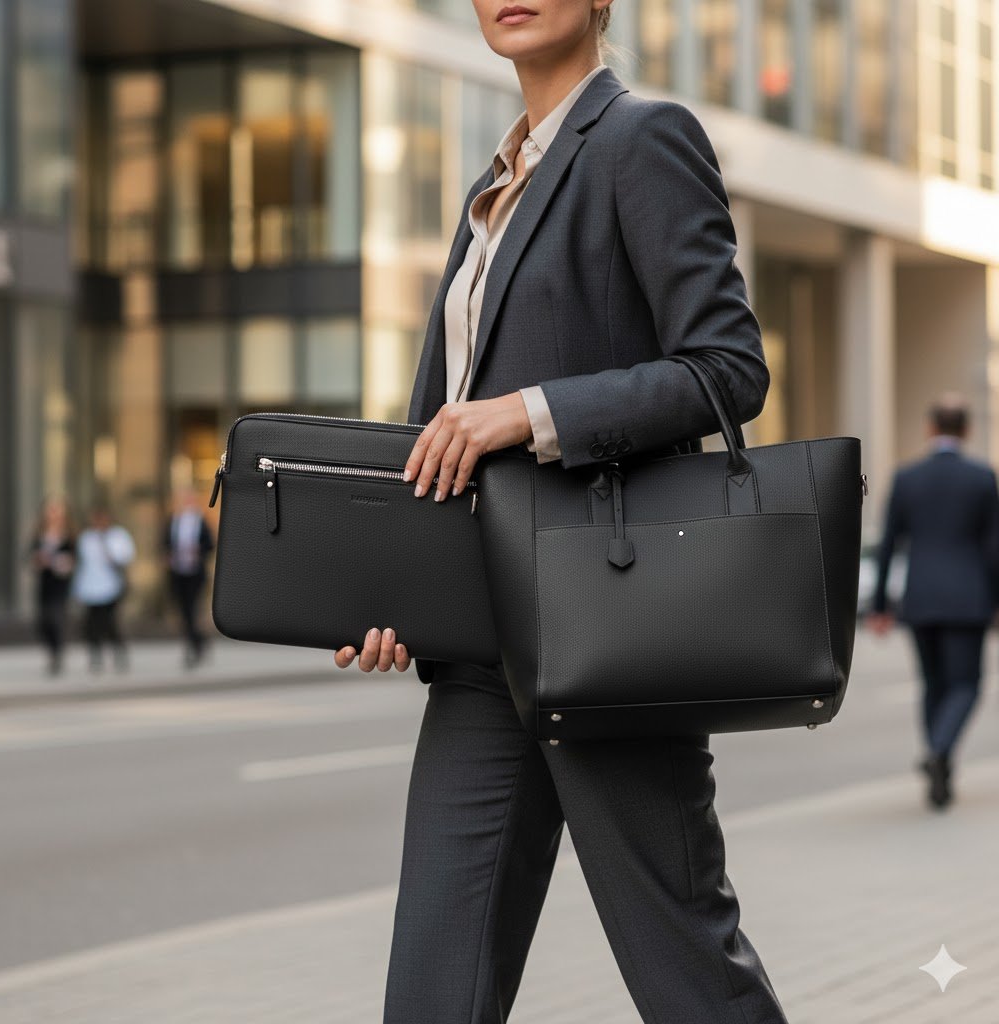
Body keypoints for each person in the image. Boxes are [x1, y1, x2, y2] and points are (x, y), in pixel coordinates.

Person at [334, 3, 786, 1021]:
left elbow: (728, 369)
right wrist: (393, 594)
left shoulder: (642, 139)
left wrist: (529, 413)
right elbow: (439, 433)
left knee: (689, 974)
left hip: (606, 626)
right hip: (480, 646)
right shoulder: (493, 188)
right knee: (432, 991)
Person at [868, 395, 999, 809]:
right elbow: (994, 547)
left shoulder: (907, 478)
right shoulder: (982, 478)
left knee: (934, 685)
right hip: (968, 598)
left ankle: (939, 769)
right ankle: (939, 752)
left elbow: (888, 545)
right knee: (965, 685)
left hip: (921, 597)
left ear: (930, 428)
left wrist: (879, 605)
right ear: (967, 430)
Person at [71, 505, 136, 672]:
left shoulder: (117, 535)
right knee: (91, 624)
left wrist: (106, 547)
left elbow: (125, 558)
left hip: (111, 587)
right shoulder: (86, 538)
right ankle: (95, 654)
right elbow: (82, 564)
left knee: (110, 622)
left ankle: (118, 651)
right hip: (89, 588)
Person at [164, 489, 215, 668]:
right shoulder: (174, 521)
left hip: (195, 572)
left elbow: (210, 545)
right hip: (178, 571)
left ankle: (194, 645)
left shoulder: (201, 522)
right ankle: (197, 641)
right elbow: (165, 543)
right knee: (184, 610)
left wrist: (198, 551)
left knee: (193, 609)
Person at [27, 497, 77, 675]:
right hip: (45, 583)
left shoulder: (69, 535)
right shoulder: (39, 535)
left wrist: (64, 563)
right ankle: (51, 651)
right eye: (51, 510)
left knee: (57, 617)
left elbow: (75, 559)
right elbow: (29, 558)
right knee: (44, 620)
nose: (53, 515)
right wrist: (39, 561)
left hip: (61, 584)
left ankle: (58, 653)